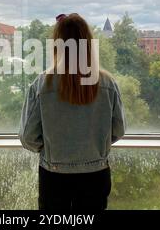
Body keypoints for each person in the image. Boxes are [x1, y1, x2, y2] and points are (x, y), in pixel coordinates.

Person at [19, 13, 126, 211]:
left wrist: (52, 150)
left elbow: (28, 138)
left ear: (57, 46)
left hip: (54, 176)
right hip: (96, 175)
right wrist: (95, 145)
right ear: (88, 44)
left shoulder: (41, 85)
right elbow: (118, 129)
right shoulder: (108, 84)